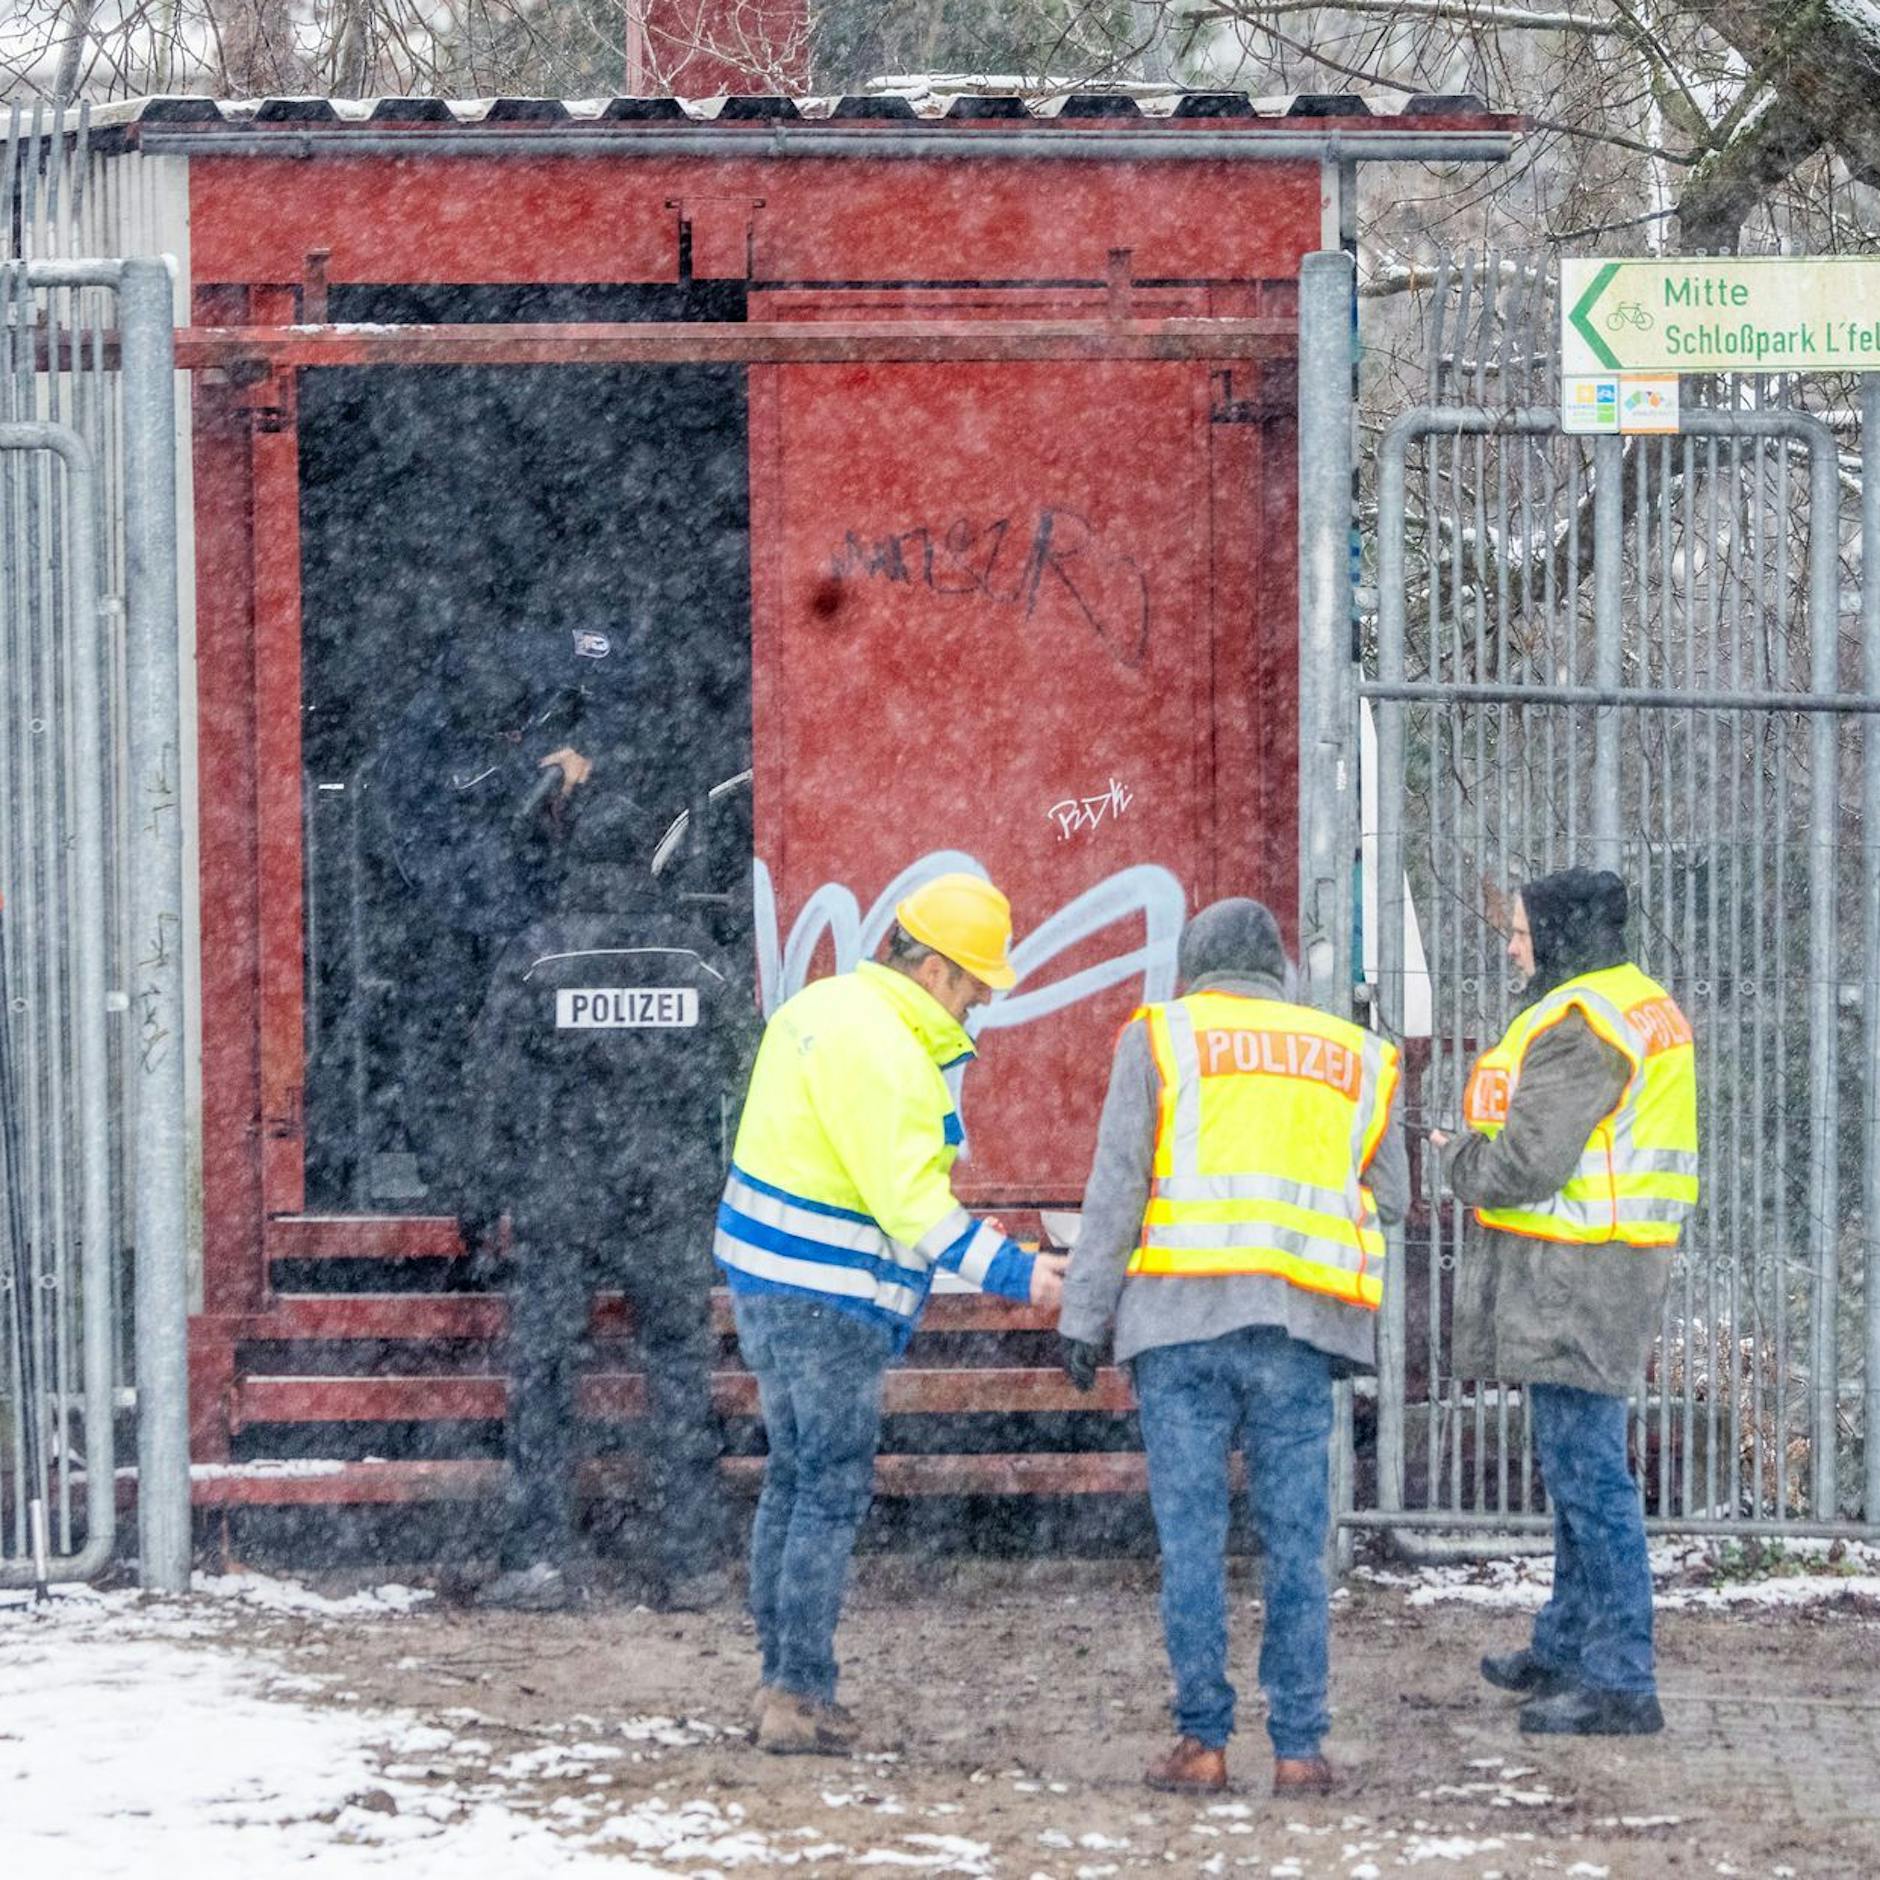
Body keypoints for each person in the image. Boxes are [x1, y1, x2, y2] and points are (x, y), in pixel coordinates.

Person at [1057, 898, 1406, 1798]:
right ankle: (1298, 1748)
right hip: (1297, 1331)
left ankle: (1203, 1743)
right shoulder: (1353, 1057)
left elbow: (1118, 1188)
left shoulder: (1164, 1039)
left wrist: (1083, 1320)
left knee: (1193, 1538)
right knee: (1296, 1540)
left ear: (1196, 966)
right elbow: (1395, 1194)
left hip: (1178, 1330)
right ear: (1281, 967)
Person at [714, 872, 1068, 1755]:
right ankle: (799, 1695)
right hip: (830, 1300)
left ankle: (776, 1683)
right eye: (978, 982)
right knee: (827, 1493)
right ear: (940, 971)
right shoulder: (891, 1053)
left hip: (762, 1284)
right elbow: (914, 1208)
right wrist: (1026, 1276)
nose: (983, 1000)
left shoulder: (817, 1009)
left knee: (791, 1483)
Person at [1431, 868, 1698, 1737]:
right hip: (1602, 1264)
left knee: (1590, 1476)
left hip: (1578, 1270)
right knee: (1577, 1467)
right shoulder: (1631, 1000)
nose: (1511, 946)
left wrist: (1459, 1161)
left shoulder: (1585, 1022)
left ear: (1558, 933)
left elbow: (1530, 1163)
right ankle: (1569, 1646)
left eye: (1519, 932)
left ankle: (1621, 1678)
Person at [459, 820, 750, 1613]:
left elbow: (490, 1087)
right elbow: (749, 1070)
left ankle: (539, 1561)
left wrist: (480, 1201)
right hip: (668, 1198)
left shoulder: (537, 953)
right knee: (680, 1375)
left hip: (561, 1196)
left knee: (545, 1377)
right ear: (646, 859)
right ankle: (690, 1563)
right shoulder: (697, 959)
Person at [372, 627, 630, 1195]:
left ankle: (529, 1169)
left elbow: (628, 676)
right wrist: (534, 775)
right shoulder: (424, 736)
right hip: (458, 913)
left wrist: (592, 754)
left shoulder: (543, 654)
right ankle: (460, 1181)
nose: (514, 733)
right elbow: (439, 809)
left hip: (539, 909)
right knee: (442, 1041)